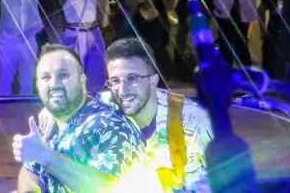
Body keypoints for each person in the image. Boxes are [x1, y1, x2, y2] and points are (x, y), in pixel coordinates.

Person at [12, 44, 144, 193]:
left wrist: (45, 155)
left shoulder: (112, 127)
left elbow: (110, 189)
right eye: (46, 77)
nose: (54, 84)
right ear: (37, 85)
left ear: (82, 79)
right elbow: (31, 169)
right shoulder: (49, 124)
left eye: (63, 75)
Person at [103, 38, 214, 193]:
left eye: (132, 78)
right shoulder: (107, 119)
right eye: (114, 81)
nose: (122, 91)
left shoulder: (194, 122)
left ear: (153, 81)